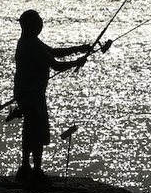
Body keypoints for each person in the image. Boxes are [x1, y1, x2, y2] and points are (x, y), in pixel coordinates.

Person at [13, 9, 96, 183]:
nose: (41, 24)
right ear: (31, 25)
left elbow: (54, 52)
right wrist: (76, 62)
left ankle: (28, 167)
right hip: (31, 94)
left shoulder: (30, 41)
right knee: (35, 130)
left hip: (28, 93)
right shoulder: (31, 44)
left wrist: (80, 48)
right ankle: (34, 170)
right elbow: (55, 65)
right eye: (38, 22)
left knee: (31, 129)